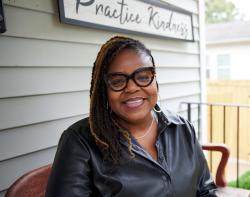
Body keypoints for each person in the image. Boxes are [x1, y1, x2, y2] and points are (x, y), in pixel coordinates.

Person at [46, 36, 217, 197]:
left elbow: (205, 191)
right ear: (104, 90)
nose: (132, 88)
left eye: (143, 77)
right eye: (118, 81)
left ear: (154, 80)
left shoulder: (182, 128)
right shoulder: (80, 142)